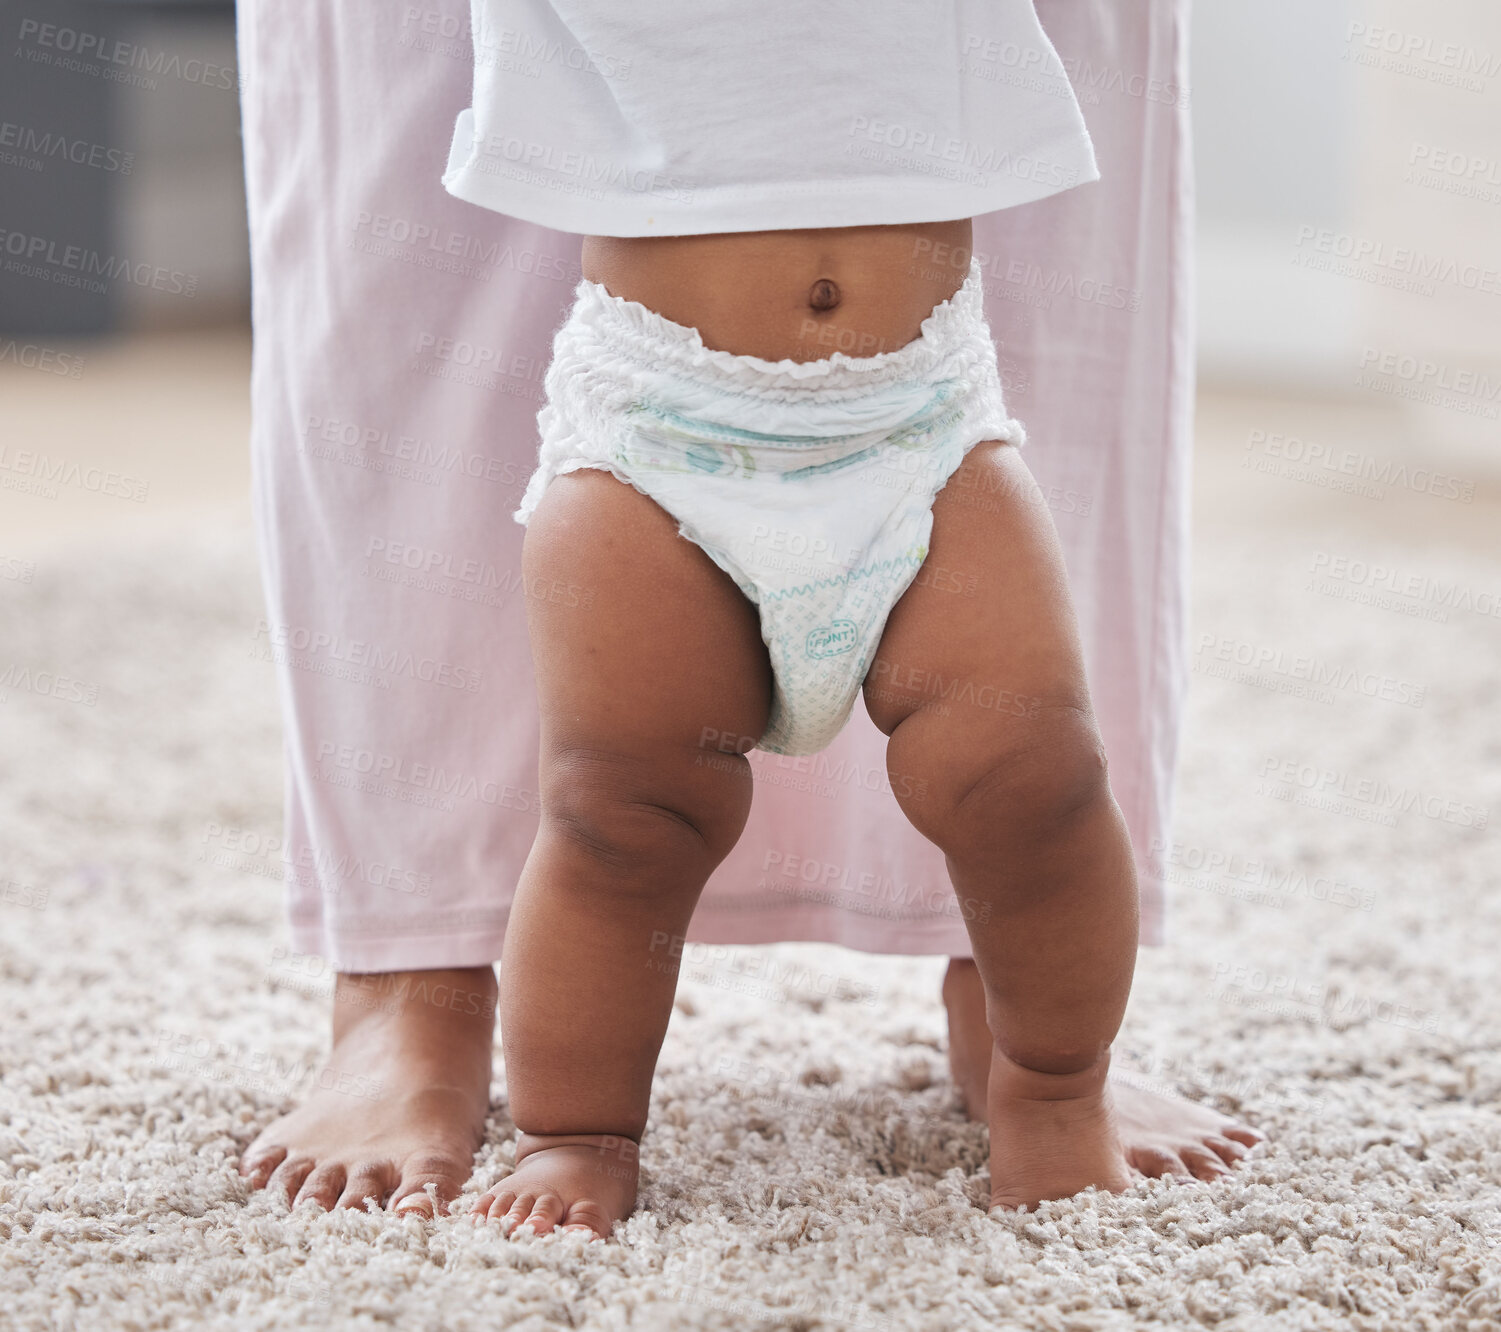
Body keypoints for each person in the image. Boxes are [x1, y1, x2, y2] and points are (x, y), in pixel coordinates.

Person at [233, 0, 1262, 1230]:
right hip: (655, 433)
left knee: (1035, 774)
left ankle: (1053, 1089)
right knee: (622, 819)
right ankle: (578, 1133)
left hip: (924, 422)